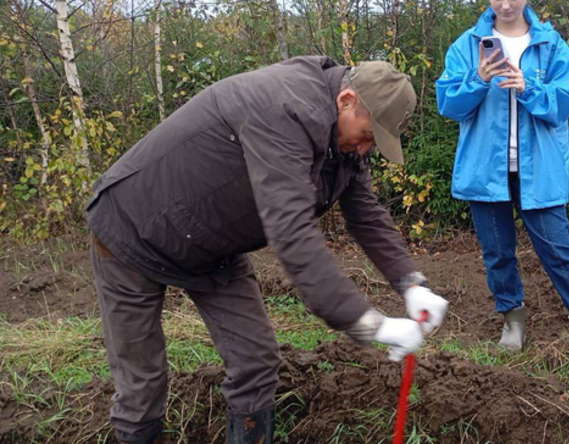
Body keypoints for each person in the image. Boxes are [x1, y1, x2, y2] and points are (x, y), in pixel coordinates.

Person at [86, 57, 449, 444]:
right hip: (134, 228)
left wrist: (412, 284)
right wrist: (369, 324)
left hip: (213, 246)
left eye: (373, 143)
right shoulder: (283, 111)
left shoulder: (342, 141)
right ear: (346, 99)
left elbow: (366, 214)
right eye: (366, 135)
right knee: (142, 384)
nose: (364, 149)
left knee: (256, 362)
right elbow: (292, 234)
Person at [435, 0, 569, 356]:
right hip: (487, 170)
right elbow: (448, 104)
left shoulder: (552, 45)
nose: (505, 4)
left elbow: (568, 98)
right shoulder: (467, 46)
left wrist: (528, 87)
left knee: (558, 248)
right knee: (498, 253)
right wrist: (479, 79)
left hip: (540, 168)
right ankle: (512, 324)